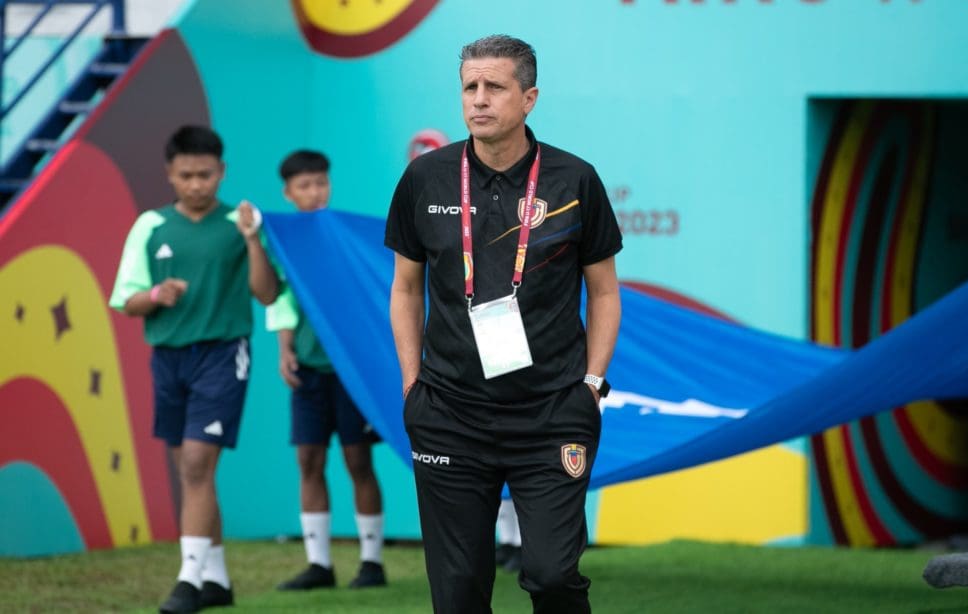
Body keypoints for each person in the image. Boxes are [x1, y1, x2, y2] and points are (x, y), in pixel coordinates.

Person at [385, 34, 622, 613]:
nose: (479, 100)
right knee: (459, 590)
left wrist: (590, 385)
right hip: (449, 413)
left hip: (551, 412)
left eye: (495, 87)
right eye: (470, 87)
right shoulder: (426, 179)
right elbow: (405, 287)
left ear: (529, 98)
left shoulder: (574, 179)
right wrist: (414, 386)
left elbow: (606, 292)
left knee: (550, 574)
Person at [108, 125, 279, 614]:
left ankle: (187, 581)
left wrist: (251, 240)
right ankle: (217, 580)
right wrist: (157, 296)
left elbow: (266, 294)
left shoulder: (240, 222)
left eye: (206, 175)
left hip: (223, 355)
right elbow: (127, 300)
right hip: (168, 357)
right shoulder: (150, 226)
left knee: (199, 465)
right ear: (170, 174)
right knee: (191, 469)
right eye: (186, 175)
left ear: (221, 172)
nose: (197, 184)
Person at [267, 150, 388, 590]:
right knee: (309, 460)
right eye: (304, 186)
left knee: (359, 459)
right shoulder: (283, 240)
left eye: (321, 183)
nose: (314, 192)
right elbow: (280, 297)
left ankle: (371, 562)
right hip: (309, 372)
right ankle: (319, 564)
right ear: (288, 192)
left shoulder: (343, 235)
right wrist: (284, 347)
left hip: (351, 372)